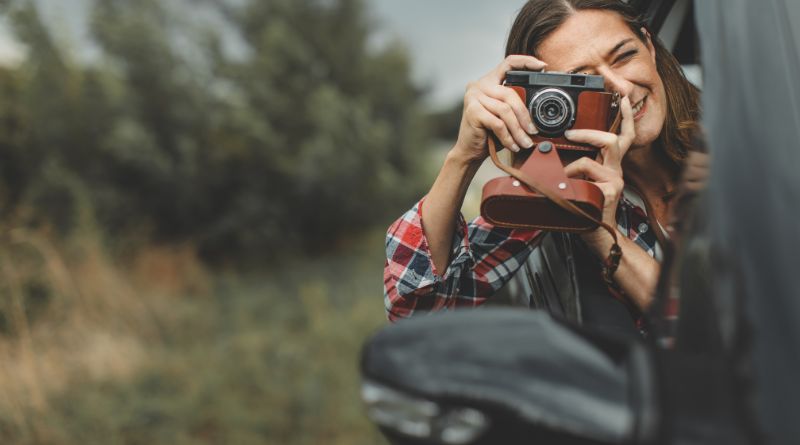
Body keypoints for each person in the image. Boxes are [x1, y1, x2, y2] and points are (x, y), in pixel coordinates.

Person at [384, 0, 700, 335]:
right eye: (584, 81)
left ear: (649, 46)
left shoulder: (734, 139)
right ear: (549, 103)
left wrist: (608, 241)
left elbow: (724, 330)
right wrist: (464, 157)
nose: (620, 88)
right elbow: (415, 310)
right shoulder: (561, 189)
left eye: (624, 56)